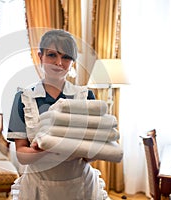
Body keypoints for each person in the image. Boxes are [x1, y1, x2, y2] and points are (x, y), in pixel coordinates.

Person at [7, 29, 108, 200]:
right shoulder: (23, 98)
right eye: (52, 55)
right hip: (37, 188)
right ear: (41, 57)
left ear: (73, 62)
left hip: (81, 186)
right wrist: (51, 149)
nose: (59, 62)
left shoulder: (86, 97)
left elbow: (91, 156)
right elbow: (22, 155)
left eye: (66, 57)